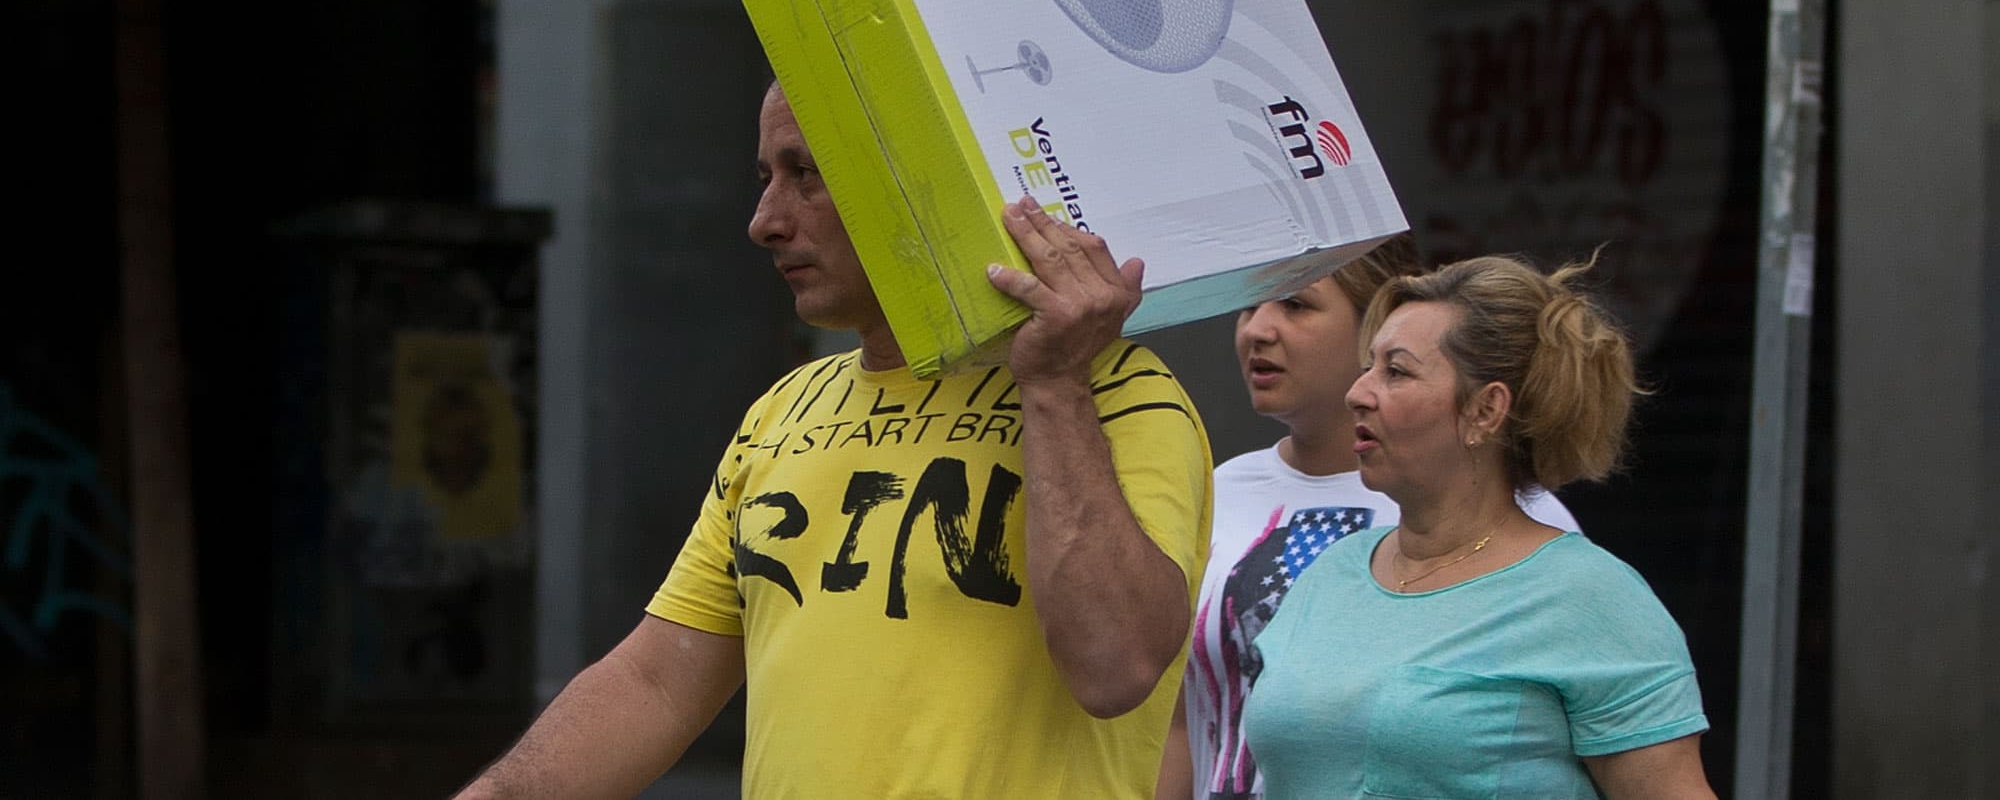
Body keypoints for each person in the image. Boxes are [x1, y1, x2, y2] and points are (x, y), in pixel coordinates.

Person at [455, 84, 1214, 799]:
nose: (764, 220)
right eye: (764, 176)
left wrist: (1052, 384)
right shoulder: (785, 410)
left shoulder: (1117, 394)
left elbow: (1116, 667)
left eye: (806, 174)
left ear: (923, 174)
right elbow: (656, 681)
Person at [1241, 255, 1714, 799]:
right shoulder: (1332, 573)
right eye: (1367, 366)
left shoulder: (1588, 597)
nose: (1358, 392)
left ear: (1485, 411)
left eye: (1396, 371)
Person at [1157, 236, 1579, 800]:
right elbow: (1181, 721)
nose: (1256, 329)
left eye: (1296, 305)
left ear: (1378, 325)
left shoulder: (1509, 517)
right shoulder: (1218, 492)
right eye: (1248, 306)